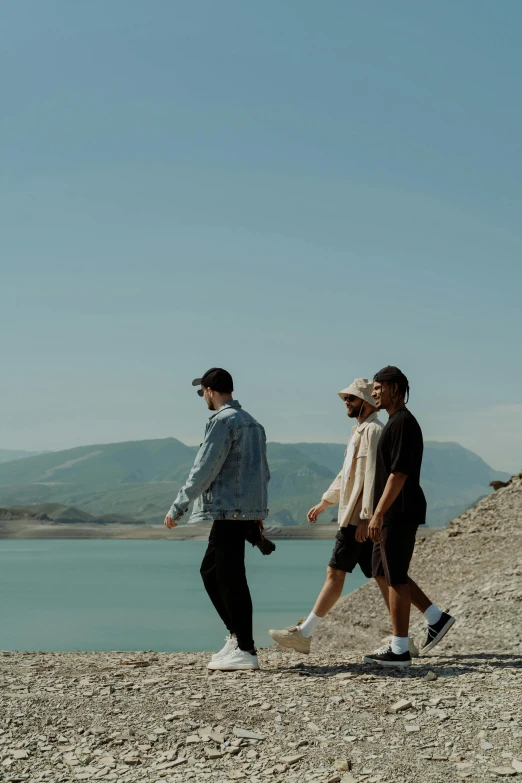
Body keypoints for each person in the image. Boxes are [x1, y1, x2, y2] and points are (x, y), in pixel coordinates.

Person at [164, 368, 270, 671]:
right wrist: (258, 512)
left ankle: (246, 649)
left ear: (210, 390)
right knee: (212, 572)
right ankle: (237, 637)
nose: (203, 398)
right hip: (241, 510)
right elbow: (263, 471)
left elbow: (204, 468)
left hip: (228, 510)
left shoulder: (223, 422)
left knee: (230, 577)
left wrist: (178, 506)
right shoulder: (254, 423)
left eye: (202, 393)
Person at [268, 379, 383, 654]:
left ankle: (304, 634)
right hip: (354, 515)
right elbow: (347, 475)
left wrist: (365, 518)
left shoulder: (374, 431)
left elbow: (373, 476)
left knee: (336, 571)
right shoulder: (359, 430)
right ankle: (417, 629)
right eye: (345, 398)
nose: (346, 402)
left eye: (351, 399)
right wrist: (325, 502)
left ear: (366, 402)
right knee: (382, 576)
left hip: (357, 519)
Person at [362, 366, 455, 667]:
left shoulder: (403, 422)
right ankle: (435, 618)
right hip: (391, 511)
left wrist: (378, 513)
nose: (373, 392)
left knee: (396, 576)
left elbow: (398, 474)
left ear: (395, 389)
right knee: (380, 570)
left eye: (378, 387)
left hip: (398, 511)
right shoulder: (394, 422)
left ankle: (400, 649)